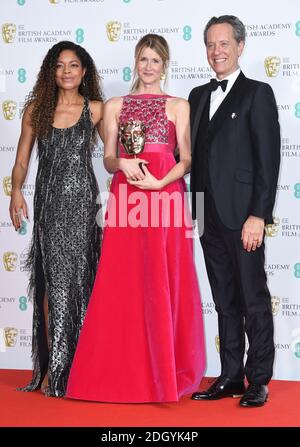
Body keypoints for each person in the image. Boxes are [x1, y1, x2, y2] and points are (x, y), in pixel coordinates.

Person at [66, 33, 206, 403]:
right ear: (135, 62)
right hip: (126, 197)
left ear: (165, 65)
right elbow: (108, 158)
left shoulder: (179, 105)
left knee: (166, 278)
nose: (148, 67)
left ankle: (164, 372)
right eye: (143, 59)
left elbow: (187, 159)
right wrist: (123, 163)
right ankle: (119, 372)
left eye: (155, 60)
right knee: (122, 278)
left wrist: (162, 181)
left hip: (166, 198)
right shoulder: (115, 105)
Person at [189, 15, 280, 407]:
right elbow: (188, 157)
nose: (216, 51)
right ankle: (230, 376)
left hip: (244, 217)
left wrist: (258, 215)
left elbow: (268, 161)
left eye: (224, 43)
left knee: (253, 298)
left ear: (240, 46)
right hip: (206, 215)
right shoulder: (196, 96)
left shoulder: (258, 93)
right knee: (224, 299)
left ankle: (258, 378)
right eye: (210, 44)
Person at [9, 41, 104, 397]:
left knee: (81, 283)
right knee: (52, 286)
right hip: (48, 206)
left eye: (74, 65)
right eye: (60, 65)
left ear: (84, 72)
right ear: (51, 70)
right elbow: (21, 161)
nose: (67, 71)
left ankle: (80, 367)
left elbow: (113, 156)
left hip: (83, 206)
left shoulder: (96, 109)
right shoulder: (37, 109)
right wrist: (16, 191)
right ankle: (54, 367)